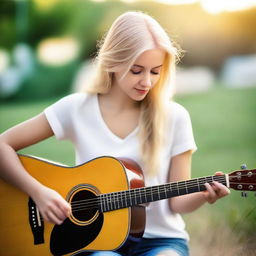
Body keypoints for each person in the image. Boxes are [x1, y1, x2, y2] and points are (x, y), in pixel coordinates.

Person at [0, 11, 230, 256]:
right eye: (136, 70)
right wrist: (39, 192)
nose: (147, 81)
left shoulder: (175, 117)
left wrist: (205, 195)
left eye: (155, 71)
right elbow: (3, 144)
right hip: (94, 242)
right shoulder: (76, 108)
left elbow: (176, 202)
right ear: (112, 61)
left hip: (161, 241)